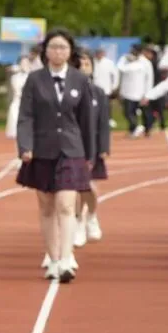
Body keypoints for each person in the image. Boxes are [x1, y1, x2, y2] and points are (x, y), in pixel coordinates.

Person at [16, 28, 95, 284]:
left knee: (66, 205)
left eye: (63, 47)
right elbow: (26, 115)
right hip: (42, 150)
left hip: (71, 150)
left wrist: (90, 154)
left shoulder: (80, 80)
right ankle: (52, 258)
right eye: (53, 47)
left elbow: (86, 120)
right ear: (45, 51)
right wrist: (25, 145)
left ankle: (65, 259)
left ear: (70, 51)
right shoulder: (35, 80)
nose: (58, 52)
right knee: (47, 207)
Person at [74, 52, 110, 247]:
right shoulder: (68, 91)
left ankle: (92, 215)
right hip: (73, 144)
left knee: (90, 187)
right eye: (80, 63)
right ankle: (78, 221)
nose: (84, 67)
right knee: (75, 188)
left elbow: (104, 122)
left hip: (93, 146)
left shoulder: (98, 92)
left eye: (87, 63)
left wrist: (104, 146)